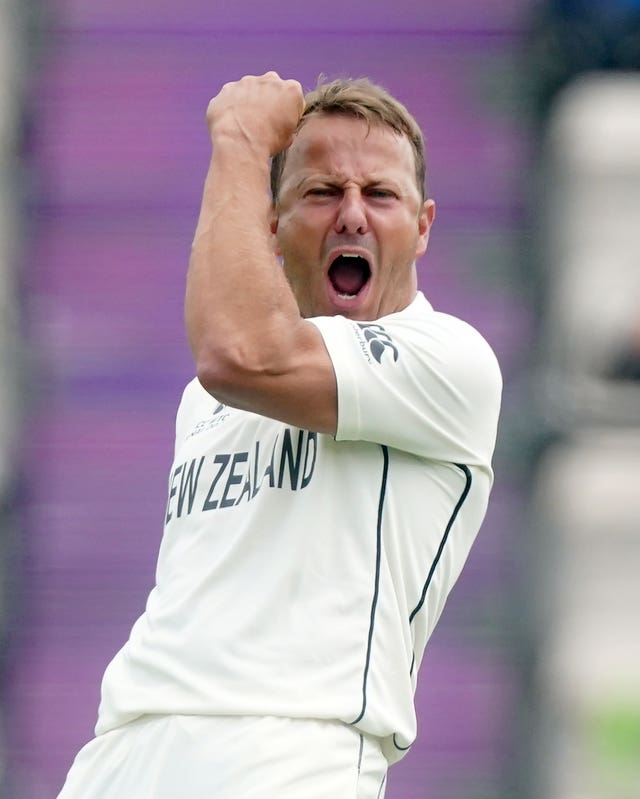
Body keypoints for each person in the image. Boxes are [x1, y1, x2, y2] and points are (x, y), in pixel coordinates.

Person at [57, 72, 502, 799]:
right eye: (323, 192)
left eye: (380, 195)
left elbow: (238, 350)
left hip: (290, 755)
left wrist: (238, 138)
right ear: (270, 222)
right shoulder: (203, 397)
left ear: (422, 226)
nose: (352, 215)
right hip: (124, 747)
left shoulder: (450, 360)